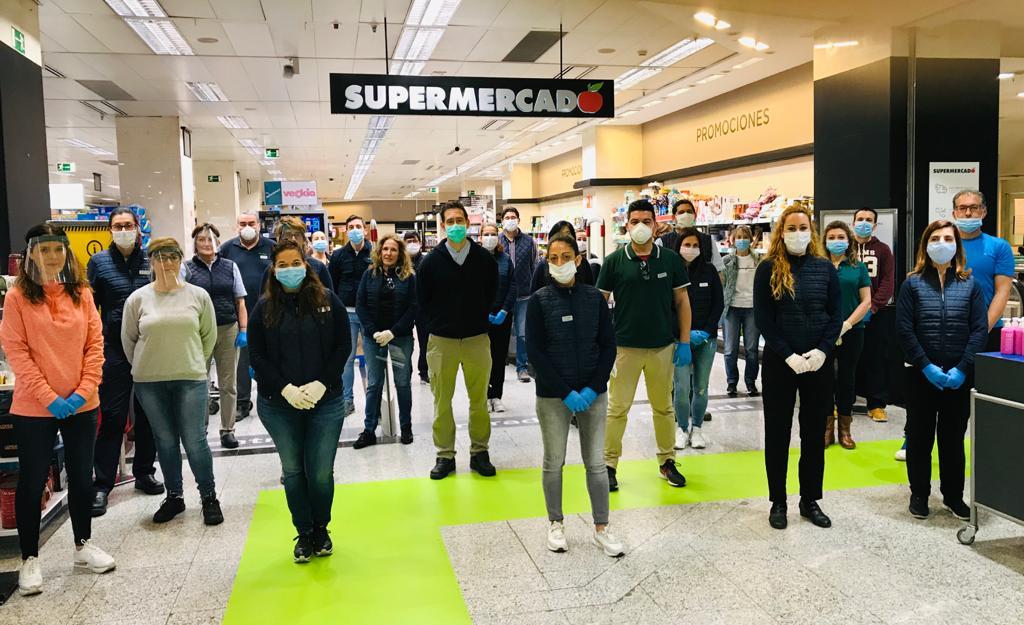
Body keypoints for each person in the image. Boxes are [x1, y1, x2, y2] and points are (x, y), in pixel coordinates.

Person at [0, 224, 115, 596]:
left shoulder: (81, 292)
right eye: (44, 249)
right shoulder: (17, 297)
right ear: (31, 253)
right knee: (33, 480)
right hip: (34, 408)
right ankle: (30, 558)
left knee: (82, 476)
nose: (52, 256)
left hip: (83, 404)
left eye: (58, 249)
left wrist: (82, 392)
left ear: (67, 252)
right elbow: (18, 353)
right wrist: (49, 398)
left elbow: (95, 345)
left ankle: (83, 545)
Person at [249, 240, 352, 562]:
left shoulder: (327, 300)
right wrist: (286, 389)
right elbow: (257, 356)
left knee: (320, 472)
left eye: (296, 263)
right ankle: (304, 532)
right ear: (274, 270)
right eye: (283, 265)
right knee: (293, 471)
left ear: (306, 266)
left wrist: (323, 383)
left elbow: (342, 345)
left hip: (326, 400)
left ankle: (321, 528)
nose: (290, 269)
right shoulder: (264, 307)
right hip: (279, 404)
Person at [527, 234, 623, 556]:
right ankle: (555, 523)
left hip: (592, 394)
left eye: (565, 257)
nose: (559, 264)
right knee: (554, 461)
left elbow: (609, 345)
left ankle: (602, 527)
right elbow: (536, 353)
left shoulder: (594, 299)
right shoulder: (539, 301)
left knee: (596, 463)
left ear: (578, 260)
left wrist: (593, 388)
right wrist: (565, 392)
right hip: (554, 397)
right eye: (553, 258)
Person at [122, 237, 223, 526]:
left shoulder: (198, 295)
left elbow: (209, 337)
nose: (166, 263)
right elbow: (129, 341)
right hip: (149, 383)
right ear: (151, 262)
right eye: (159, 257)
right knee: (164, 441)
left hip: (190, 378)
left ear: (180, 260)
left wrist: (192, 363)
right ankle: (175, 497)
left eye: (172, 257)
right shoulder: (138, 299)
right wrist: (147, 366)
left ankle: (209, 497)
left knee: (195, 441)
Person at [754, 204, 842, 530]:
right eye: (790, 228)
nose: (797, 234)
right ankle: (778, 500)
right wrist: (787, 353)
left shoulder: (825, 268)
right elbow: (763, 318)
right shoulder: (768, 269)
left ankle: (810, 500)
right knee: (777, 433)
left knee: (812, 432)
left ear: (811, 231)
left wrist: (822, 350)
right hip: (781, 361)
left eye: (802, 227)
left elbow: (836, 315)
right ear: (781, 232)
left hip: (818, 361)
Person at [596, 199, 692, 492]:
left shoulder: (670, 260)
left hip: (662, 346)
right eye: (634, 221)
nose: (640, 227)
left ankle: (667, 461)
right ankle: (609, 465)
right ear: (626, 225)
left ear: (656, 224)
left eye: (646, 221)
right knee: (617, 409)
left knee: (663, 408)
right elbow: (599, 303)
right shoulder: (614, 261)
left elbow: (682, 302)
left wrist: (684, 342)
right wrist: (599, 343)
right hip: (624, 347)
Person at [896, 220, 988, 521]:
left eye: (948, 238)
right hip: (921, 375)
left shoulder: (969, 284)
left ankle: (953, 496)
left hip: (959, 376)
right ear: (925, 244)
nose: (942, 243)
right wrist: (926, 366)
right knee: (920, 437)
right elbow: (904, 330)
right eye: (935, 238)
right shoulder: (912, 284)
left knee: (952, 438)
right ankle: (919, 494)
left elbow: (978, 329)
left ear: (957, 246)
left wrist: (962, 367)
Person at [88, 207, 163, 518]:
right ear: (110, 230)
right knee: (113, 415)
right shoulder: (99, 263)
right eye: (118, 226)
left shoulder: (152, 261)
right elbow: (92, 309)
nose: (123, 230)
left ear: (138, 228)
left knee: (148, 414)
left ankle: (144, 472)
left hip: (149, 347)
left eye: (128, 225)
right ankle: (103, 483)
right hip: (114, 349)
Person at [417, 201, 498, 480]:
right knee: (442, 401)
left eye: (459, 220)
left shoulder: (483, 259)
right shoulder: (430, 262)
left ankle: (479, 452)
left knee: (479, 399)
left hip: (477, 338)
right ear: (442, 225)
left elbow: (491, 293)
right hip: (442, 341)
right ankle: (445, 455)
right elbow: (422, 301)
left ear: (467, 223)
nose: (454, 226)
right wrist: (438, 324)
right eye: (449, 221)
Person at [185, 223, 247, 449]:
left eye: (210, 239)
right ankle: (200, 428)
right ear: (195, 243)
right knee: (199, 382)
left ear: (218, 242)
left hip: (227, 328)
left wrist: (243, 330)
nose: (206, 243)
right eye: (201, 239)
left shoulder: (230, 267)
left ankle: (227, 430)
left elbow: (240, 300)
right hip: (198, 332)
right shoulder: (187, 269)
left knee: (228, 383)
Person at [354, 234, 417, 448]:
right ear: (379, 252)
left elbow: (413, 307)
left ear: (400, 254)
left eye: (393, 250)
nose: (388, 253)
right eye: (385, 249)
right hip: (374, 339)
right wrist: (372, 332)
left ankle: (406, 427)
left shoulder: (409, 276)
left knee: (402, 383)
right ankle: (369, 430)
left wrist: (394, 331)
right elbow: (360, 305)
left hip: (400, 338)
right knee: (374, 384)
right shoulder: (369, 274)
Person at [220, 212, 274, 421]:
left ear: (258, 225)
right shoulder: (227, 249)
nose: (247, 227)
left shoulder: (270, 247)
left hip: (268, 314)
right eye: (242, 224)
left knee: (267, 358)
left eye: (251, 223)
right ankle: (242, 402)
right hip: (238, 316)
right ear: (237, 226)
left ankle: (268, 397)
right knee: (241, 363)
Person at [672, 228, 723, 450]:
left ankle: (698, 429)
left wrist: (706, 330)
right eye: (687, 245)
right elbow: (668, 306)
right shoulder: (672, 271)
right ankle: (682, 428)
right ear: (678, 247)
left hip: (706, 339)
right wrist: (683, 333)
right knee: (681, 387)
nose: (691, 249)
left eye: (695, 246)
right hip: (679, 340)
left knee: (701, 386)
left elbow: (718, 303)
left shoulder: (709, 271)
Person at [822, 222, 872, 450]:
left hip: (853, 331)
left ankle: (845, 429)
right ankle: (826, 429)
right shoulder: (819, 266)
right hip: (823, 332)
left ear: (848, 240)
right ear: (824, 241)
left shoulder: (858, 267)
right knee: (824, 379)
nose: (836, 240)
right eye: (831, 236)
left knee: (847, 379)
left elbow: (867, 301)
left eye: (840, 236)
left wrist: (847, 324)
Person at [952, 190, 1014, 353]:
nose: (967, 213)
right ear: (954, 213)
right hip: (949, 329)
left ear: (984, 211)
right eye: (962, 208)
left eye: (974, 207)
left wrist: (981, 330)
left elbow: (1003, 291)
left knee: (984, 378)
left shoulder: (999, 246)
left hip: (988, 328)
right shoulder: (944, 245)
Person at [329, 215, 372, 416]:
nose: (355, 229)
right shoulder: (338, 256)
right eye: (351, 226)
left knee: (373, 359)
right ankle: (347, 400)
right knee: (347, 358)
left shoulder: (375, 252)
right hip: (347, 313)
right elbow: (332, 286)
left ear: (364, 229)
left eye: (358, 226)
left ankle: (375, 401)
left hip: (370, 314)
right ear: (346, 230)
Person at [498, 206, 538, 383]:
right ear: (502, 221)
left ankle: (522, 368)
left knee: (522, 333)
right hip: (503, 296)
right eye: (507, 217)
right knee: (500, 333)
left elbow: (535, 266)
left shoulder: (529, 242)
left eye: (513, 217)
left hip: (524, 295)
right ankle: (499, 364)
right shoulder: (496, 241)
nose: (510, 220)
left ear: (519, 220)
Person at [480, 223, 517, 413]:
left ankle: (497, 396)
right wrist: (481, 312)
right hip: (480, 318)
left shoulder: (505, 259)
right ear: (480, 237)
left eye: (493, 234)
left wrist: (505, 310)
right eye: (486, 234)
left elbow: (512, 286)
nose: (490, 237)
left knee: (498, 357)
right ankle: (484, 395)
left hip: (502, 316)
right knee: (483, 358)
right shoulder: (474, 260)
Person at [721, 225, 762, 398]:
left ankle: (751, 383)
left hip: (752, 308)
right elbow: (722, 284)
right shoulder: (727, 261)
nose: (742, 240)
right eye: (738, 237)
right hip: (732, 308)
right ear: (732, 239)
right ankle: (732, 383)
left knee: (752, 349)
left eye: (745, 237)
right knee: (730, 349)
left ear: (751, 239)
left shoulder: (759, 260)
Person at [659, 199, 726, 274]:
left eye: (689, 212)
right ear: (673, 218)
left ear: (695, 216)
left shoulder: (708, 240)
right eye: (681, 212)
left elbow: (718, 271)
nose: (686, 215)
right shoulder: (662, 242)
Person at [531, 221, 595, 292]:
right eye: (554, 258)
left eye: (567, 234)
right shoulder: (543, 265)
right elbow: (534, 293)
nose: (562, 238)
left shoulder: (583, 263)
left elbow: (591, 290)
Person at [404, 230, 430, 384]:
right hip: (405, 308)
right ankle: (405, 372)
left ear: (420, 242)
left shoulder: (427, 261)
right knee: (405, 343)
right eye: (408, 241)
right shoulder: (400, 262)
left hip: (423, 308)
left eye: (414, 240)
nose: (411, 244)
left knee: (425, 341)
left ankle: (424, 371)